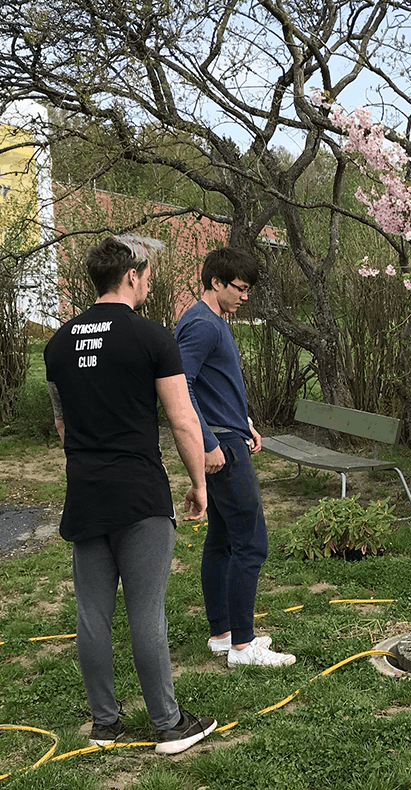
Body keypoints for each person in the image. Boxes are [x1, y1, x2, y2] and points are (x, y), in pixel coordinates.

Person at [44, 236, 217, 754]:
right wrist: (199, 483)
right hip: (140, 494)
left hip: (86, 493)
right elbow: (183, 420)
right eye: (146, 276)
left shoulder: (57, 344)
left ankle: (104, 724)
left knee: (92, 614)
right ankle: (168, 725)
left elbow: (63, 428)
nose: (149, 283)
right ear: (132, 276)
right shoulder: (151, 337)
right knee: (146, 610)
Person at [175, 247, 296, 668]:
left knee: (223, 538)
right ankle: (244, 647)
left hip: (230, 435)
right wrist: (208, 441)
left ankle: (222, 634)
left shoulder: (211, 321)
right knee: (251, 542)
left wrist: (243, 421)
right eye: (240, 289)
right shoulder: (202, 326)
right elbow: (180, 387)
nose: (245, 296)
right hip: (222, 449)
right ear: (216, 283)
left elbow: (212, 386)